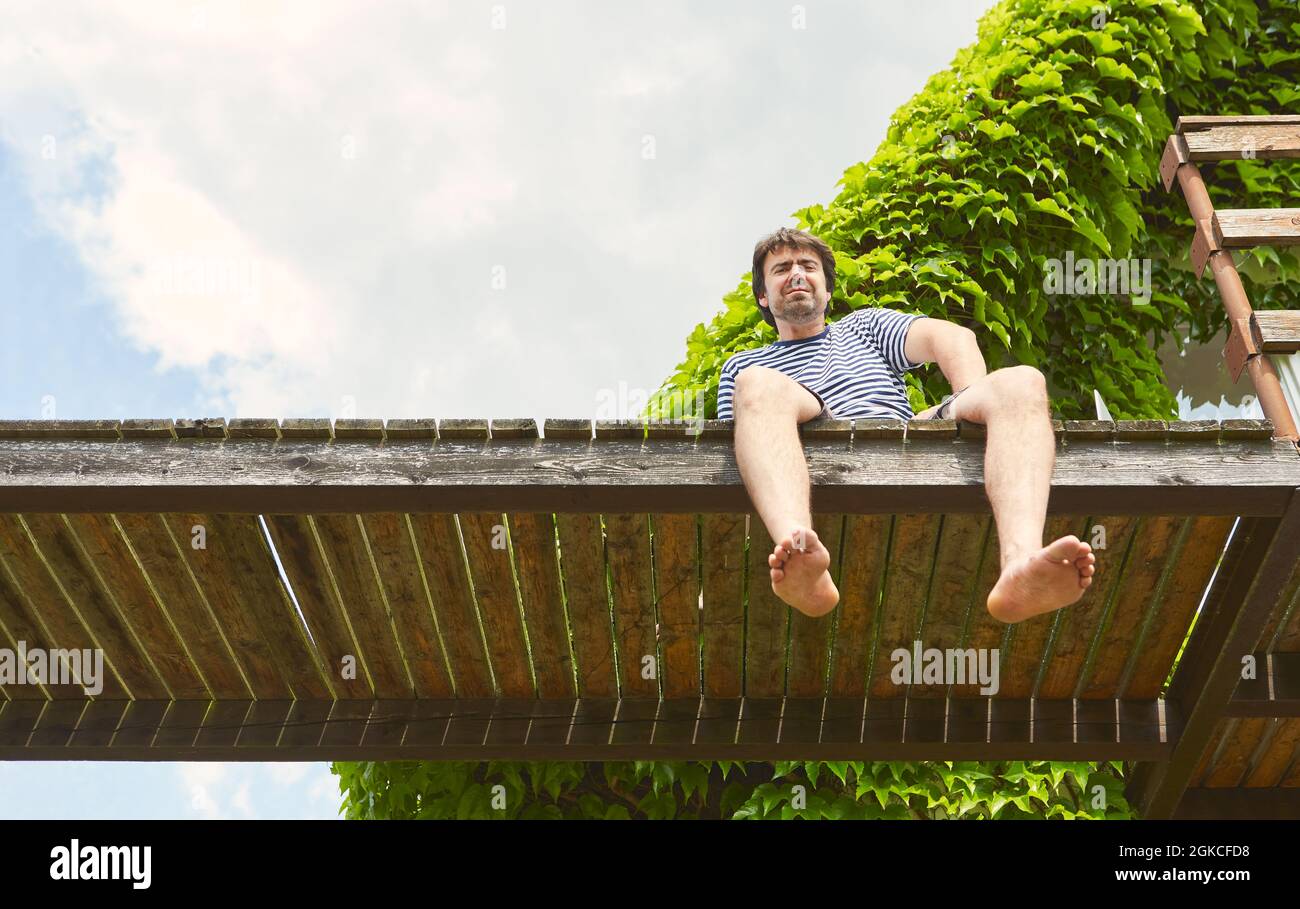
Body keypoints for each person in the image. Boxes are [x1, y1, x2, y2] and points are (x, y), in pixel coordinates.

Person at [716, 227, 1095, 623]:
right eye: (781, 269)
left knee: (1022, 382)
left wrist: (965, 405)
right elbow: (741, 456)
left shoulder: (865, 327)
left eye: (808, 266)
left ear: (827, 291)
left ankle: (1021, 565)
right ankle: (800, 553)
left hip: (900, 430)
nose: (796, 274)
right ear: (763, 295)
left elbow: (950, 337)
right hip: (809, 433)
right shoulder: (745, 366)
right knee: (757, 384)